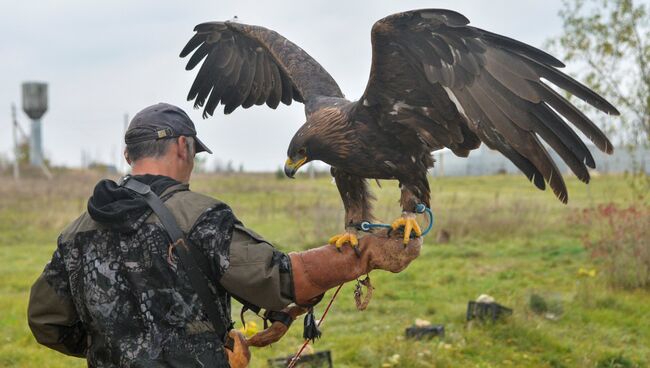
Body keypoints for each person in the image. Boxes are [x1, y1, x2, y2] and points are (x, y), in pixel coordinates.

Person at [27, 102, 421, 367]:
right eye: (195, 153)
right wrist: (365, 253)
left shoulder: (77, 231)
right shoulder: (199, 216)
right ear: (183, 147)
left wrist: (119, 348)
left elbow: (46, 321)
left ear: (130, 156)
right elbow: (284, 278)